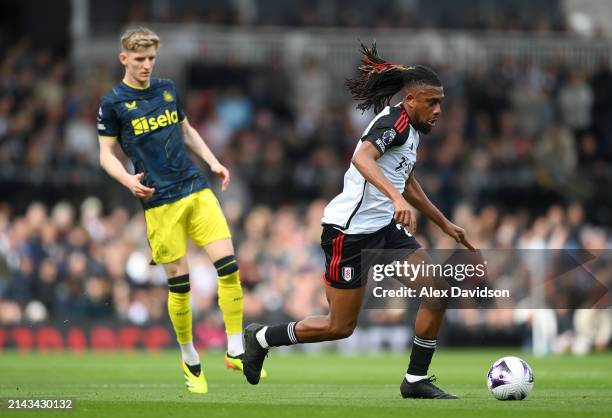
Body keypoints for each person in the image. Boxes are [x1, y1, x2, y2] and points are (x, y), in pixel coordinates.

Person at [242, 44, 474, 399]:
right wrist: (395, 199)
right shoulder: (393, 123)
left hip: (385, 229)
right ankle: (261, 337)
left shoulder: (412, 130)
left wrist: (442, 222)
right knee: (339, 327)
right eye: (432, 102)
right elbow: (362, 158)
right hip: (348, 235)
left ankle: (415, 380)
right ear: (410, 99)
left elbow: (405, 180)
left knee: (436, 291)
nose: (438, 110)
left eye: (441, 102)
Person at [97, 27, 265, 394]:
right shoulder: (112, 103)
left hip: (195, 188)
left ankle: (235, 348)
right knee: (181, 286)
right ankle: (190, 358)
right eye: (139, 59)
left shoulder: (167, 89)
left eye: (151, 59)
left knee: (229, 266)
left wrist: (213, 161)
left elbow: (186, 131)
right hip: (158, 202)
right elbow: (105, 155)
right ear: (124, 58)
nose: (146, 66)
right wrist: (127, 181)